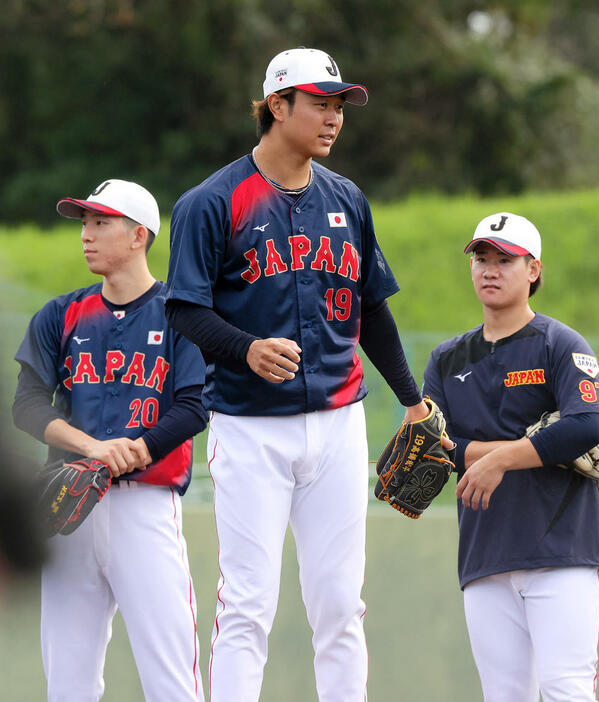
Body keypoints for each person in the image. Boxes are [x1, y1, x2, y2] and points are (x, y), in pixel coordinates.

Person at [164, 47, 440, 701]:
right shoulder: (212, 202)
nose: (333, 118)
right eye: (320, 103)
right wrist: (245, 348)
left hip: (340, 421)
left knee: (342, 605)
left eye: (339, 105)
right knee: (249, 603)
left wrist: (412, 399)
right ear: (277, 106)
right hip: (250, 426)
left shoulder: (347, 198)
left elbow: (371, 309)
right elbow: (183, 310)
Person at [12, 179, 207, 701]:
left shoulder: (179, 314)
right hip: (68, 505)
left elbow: (194, 406)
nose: (86, 235)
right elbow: (26, 405)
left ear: (138, 235)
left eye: (101, 222)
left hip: (144, 508)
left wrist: (135, 451)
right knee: (69, 682)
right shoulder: (61, 315)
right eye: (84, 223)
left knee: (171, 677)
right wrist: (94, 448)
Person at [422, 212, 599, 701]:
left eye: (504, 260)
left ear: (533, 270)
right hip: (486, 552)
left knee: (564, 689)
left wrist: (495, 458)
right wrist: (508, 452)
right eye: (481, 259)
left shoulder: (560, 343)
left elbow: (587, 424)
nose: (489, 269)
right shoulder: (447, 360)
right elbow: (433, 447)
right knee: (505, 695)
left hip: (562, 551)